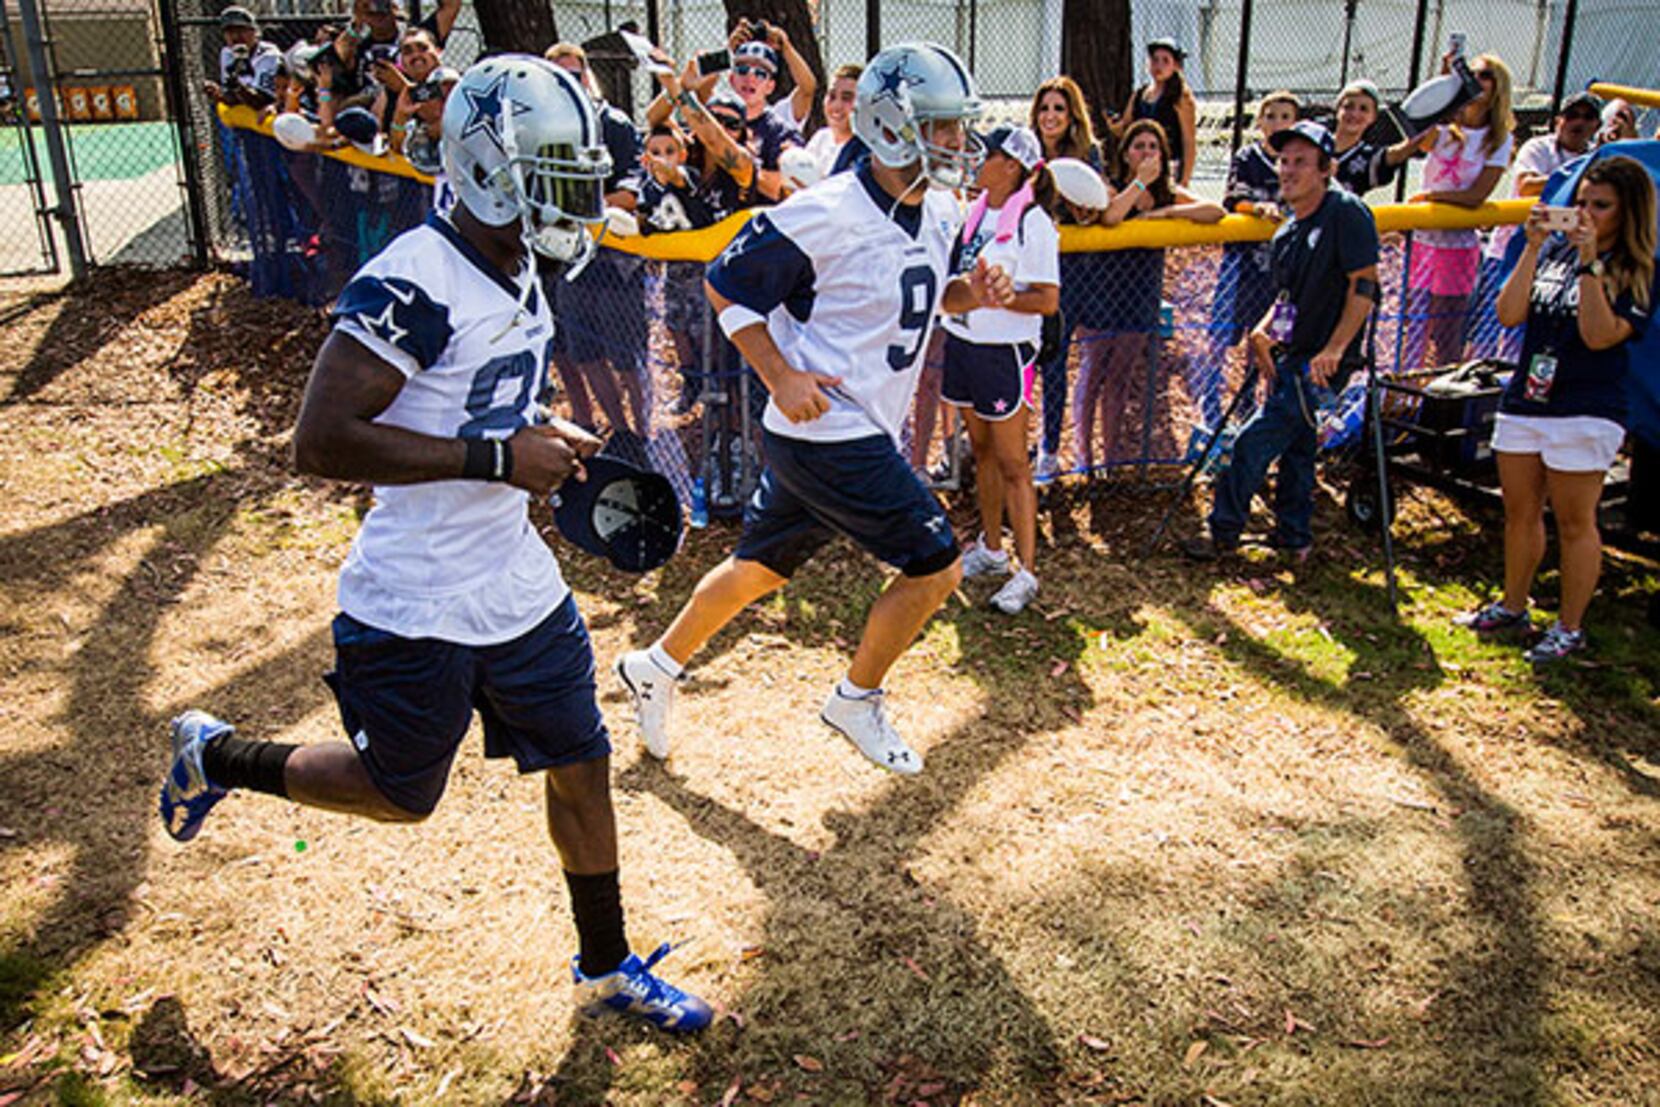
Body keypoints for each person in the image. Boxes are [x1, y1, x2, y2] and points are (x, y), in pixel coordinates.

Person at [158, 56, 711, 1034]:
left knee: (580, 759)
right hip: (414, 595)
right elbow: (320, 440)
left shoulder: (516, 258)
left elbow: (471, 391)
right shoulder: (413, 280)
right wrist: (503, 455)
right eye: (550, 176)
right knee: (398, 795)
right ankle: (217, 755)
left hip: (513, 578)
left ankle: (605, 963)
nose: (570, 200)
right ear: (489, 168)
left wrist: (540, 431)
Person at [615, 43, 1012, 775]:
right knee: (936, 566)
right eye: (943, 127)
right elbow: (726, 285)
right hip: (828, 426)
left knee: (758, 569)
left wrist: (971, 295)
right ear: (893, 127)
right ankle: (856, 697)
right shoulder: (823, 212)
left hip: (844, 424)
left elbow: (928, 298)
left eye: (959, 126)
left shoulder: (941, 206)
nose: (958, 143)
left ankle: (656, 663)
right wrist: (779, 372)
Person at [1458, 156, 1655, 662]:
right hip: (1529, 398)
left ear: (1626, 213)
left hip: (1586, 406)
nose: (1586, 213)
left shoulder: (1636, 270)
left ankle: (1569, 627)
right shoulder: (1554, 256)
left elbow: (1599, 334)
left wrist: (1592, 263)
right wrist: (1534, 246)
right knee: (1519, 511)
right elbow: (1508, 312)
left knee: (1574, 521)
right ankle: (1513, 605)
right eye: (1580, 202)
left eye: (1601, 206)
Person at [1182, 121, 1381, 562]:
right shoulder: (1288, 230)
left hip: (1323, 362)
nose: (1288, 171)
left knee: (1253, 443)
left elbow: (1364, 286)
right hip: (1291, 355)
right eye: (1283, 161)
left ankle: (1223, 532)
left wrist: (1336, 348)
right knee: (1298, 450)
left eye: (1301, 163)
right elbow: (1286, 297)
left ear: (1326, 169)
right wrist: (1261, 330)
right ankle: (1295, 539)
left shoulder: (1345, 213)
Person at [943, 126, 1060, 614]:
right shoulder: (971, 215)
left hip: (1006, 355)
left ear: (1012, 165)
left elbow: (1048, 300)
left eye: (987, 154)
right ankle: (991, 550)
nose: (977, 161)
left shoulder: (1034, 223)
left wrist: (1013, 297)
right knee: (983, 452)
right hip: (965, 345)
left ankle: (1026, 570)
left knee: (1014, 462)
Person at [1073, 119, 1223, 471]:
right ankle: (1083, 458)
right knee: (1092, 370)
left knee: (1121, 376)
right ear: (1125, 154)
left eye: (1153, 147)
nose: (1146, 153)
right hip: (1101, 292)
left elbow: (1215, 212)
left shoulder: (1169, 192)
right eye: (1138, 146)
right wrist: (1139, 182)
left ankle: (1110, 459)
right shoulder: (1111, 186)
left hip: (1142, 293)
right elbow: (1112, 216)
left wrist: (1167, 212)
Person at [543, 43, 651, 444]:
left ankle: (644, 432)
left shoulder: (615, 124)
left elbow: (634, 190)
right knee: (585, 354)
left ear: (587, 76)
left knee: (627, 359)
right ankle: (619, 431)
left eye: (574, 76)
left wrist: (583, 207)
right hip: (569, 261)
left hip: (617, 263)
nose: (568, 87)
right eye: (558, 80)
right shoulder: (544, 129)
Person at [1192, 90, 1300, 435]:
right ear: (1259, 121)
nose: (1277, 123)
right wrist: (1257, 209)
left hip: (1284, 274)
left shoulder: (1300, 161)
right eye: (1271, 116)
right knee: (1221, 338)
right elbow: (1233, 199)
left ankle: (1259, 406)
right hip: (1242, 268)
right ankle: (1211, 407)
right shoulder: (1247, 157)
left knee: (1272, 340)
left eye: (1285, 117)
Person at [1469, 90, 1604, 358]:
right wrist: (1577, 178)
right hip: (1510, 253)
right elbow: (1527, 186)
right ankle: (1473, 398)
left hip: (1557, 264)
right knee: (1487, 331)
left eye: (1588, 117)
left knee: (1528, 339)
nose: (1579, 123)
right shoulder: (1539, 148)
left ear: (1596, 126)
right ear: (1558, 121)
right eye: (1572, 115)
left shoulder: (1597, 156)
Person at [1404, 52, 1514, 370]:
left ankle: (1441, 391)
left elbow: (1477, 195)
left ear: (1498, 87)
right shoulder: (1446, 130)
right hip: (1424, 240)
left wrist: (1432, 197)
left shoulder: (1498, 140)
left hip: (1457, 244)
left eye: (1485, 76)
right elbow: (1418, 136)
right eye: (1472, 74)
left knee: (1447, 329)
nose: (1477, 81)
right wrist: (1445, 86)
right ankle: (1405, 391)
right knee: (1414, 326)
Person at [1029, 75, 1110, 482]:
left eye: (1059, 108)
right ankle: (1019, 438)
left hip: (1071, 273)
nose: (1050, 116)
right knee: (1023, 357)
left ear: (1072, 114)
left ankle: (1050, 447)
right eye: (1044, 108)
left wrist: (1083, 210)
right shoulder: (1026, 152)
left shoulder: (1087, 156)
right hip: (1026, 265)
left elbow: (1095, 208)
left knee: (1056, 359)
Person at [1115, 39, 1198, 188]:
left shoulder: (1180, 97)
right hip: (1139, 163)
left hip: (1168, 164)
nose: (1158, 66)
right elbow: (1126, 127)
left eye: (1165, 61)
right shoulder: (1140, 94)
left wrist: (1185, 179)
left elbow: (1189, 140)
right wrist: (1112, 125)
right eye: (1155, 60)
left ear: (1176, 66)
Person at [1331, 79, 1433, 197]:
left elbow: (1399, 152)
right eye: (1348, 106)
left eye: (1364, 109)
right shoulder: (1315, 142)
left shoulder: (1367, 157)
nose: (1354, 114)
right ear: (1337, 109)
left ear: (1373, 117)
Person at [204, 6, 283, 111]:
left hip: (266, 112)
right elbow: (232, 99)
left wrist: (237, 87)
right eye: (230, 32)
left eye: (241, 30)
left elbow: (261, 101)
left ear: (254, 32)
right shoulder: (227, 53)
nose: (236, 37)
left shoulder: (269, 56)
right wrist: (218, 94)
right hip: (242, 112)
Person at [804, 63, 861, 180]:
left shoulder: (864, 151)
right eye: (832, 96)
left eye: (847, 98)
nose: (836, 105)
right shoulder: (821, 138)